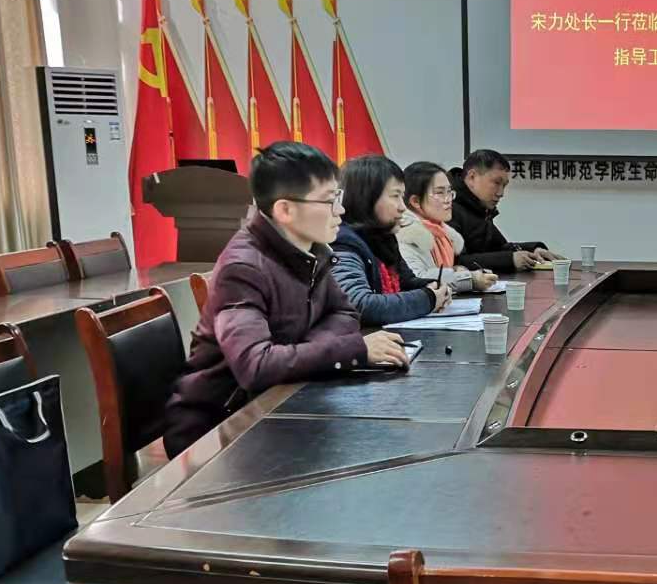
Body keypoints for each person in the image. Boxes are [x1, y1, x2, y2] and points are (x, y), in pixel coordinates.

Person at [163, 142, 409, 457]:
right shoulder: (243, 267)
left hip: (281, 400)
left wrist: (305, 349)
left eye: (339, 197)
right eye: (329, 200)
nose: (341, 211)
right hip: (222, 428)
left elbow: (345, 312)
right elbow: (256, 365)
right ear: (285, 210)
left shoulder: (312, 250)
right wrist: (352, 350)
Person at [332, 155, 453, 327]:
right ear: (366, 199)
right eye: (395, 196)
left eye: (402, 196)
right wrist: (428, 298)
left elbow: (406, 283)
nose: (402, 207)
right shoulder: (342, 244)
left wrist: (433, 287)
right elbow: (358, 305)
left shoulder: (383, 238)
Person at [449, 149, 562, 272]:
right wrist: (510, 260)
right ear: (472, 177)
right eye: (496, 183)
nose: (501, 193)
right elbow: (454, 262)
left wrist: (533, 251)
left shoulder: (479, 208)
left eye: (504, 185)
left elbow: (498, 248)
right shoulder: (447, 207)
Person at [396, 161, 500, 294]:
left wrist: (456, 271)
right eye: (439, 193)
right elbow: (417, 279)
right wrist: (470, 279)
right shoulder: (405, 233)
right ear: (415, 201)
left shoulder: (441, 232)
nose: (448, 199)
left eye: (449, 192)